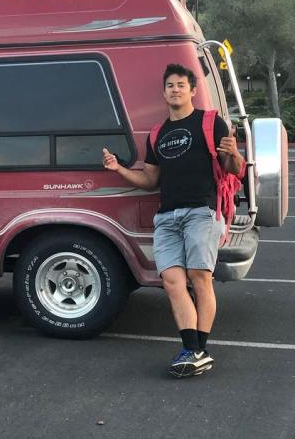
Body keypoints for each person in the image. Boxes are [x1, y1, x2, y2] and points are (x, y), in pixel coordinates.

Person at [102, 63, 244, 377]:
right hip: (167, 216)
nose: (175, 90)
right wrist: (118, 170)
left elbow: (234, 168)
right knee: (172, 281)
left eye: (181, 85)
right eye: (170, 86)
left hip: (202, 211)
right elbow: (150, 180)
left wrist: (233, 152)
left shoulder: (210, 122)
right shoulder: (158, 133)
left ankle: (197, 349)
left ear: (193, 90)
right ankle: (192, 350)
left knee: (199, 276)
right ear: (164, 92)